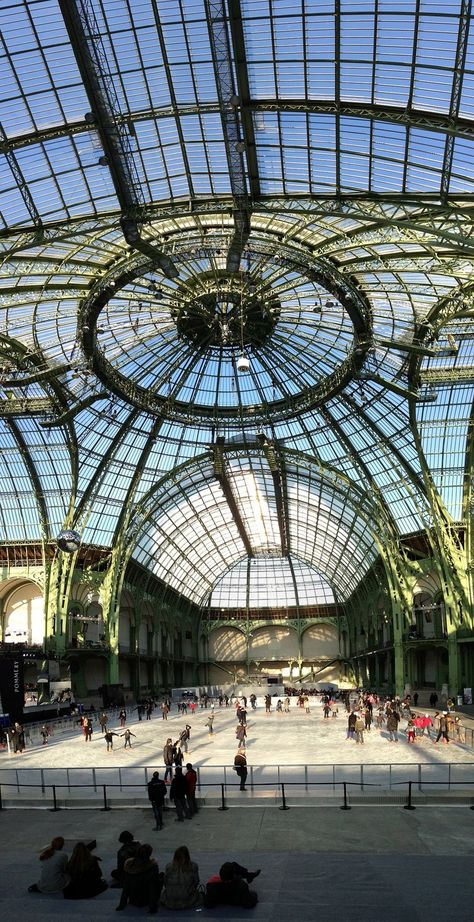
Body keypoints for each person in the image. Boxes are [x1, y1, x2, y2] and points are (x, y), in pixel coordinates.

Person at [116, 844, 163, 914]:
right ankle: (152, 904)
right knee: (160, 878)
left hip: (133, 899)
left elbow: (125, 888)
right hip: (145, 900)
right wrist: (152, 908)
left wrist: (121, 905)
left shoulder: (129, 865)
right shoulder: (152, 867)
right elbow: (152, 889)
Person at [160, 845, 202, 910]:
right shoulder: (193, 866)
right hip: (186, 900)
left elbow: (165, 883)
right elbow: (196, 881)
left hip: (170, 901)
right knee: (200, 896)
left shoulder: (168, 866)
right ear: (187, 855)